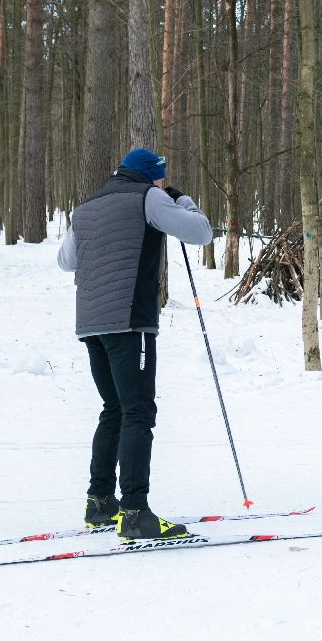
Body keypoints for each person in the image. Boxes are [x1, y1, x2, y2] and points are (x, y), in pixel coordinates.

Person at [57, 148, 213, 541]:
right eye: (161, 177)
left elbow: (66, 260)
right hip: (129, 321)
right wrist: (181, 199)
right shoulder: (150, 197)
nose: (162, 183)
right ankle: (135, 512)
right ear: (150, 175)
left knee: (114, 408)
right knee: (138, 412)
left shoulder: (86, 206)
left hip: (91, 325)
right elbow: (201, 232)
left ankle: (99, 503)